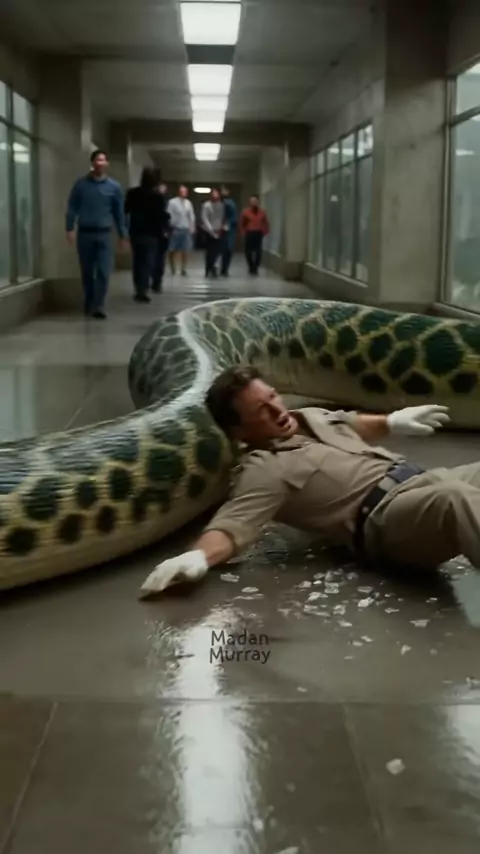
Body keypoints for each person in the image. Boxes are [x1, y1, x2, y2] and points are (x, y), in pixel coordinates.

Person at [139, 365, 480, 598]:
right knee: (454, 497)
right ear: (239, 431)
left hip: (421, 481)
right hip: (388, 519)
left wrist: (391, 421)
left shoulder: (310, 417)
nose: (277, 411)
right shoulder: (265, 468)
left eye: (273, 397)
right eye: (261, 411)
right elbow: (233, 524)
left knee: (461, 481)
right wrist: (198, 557)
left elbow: (352, 423)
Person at [66, 149, 128, 319]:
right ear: (92, 163)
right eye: (97, 160)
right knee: (87, 271)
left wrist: (123, 235)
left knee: (103, 271)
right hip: (85, 233)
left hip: (105, 234)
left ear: (107, 164)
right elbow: (72, 207)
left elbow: (119, 213)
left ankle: (99, 305)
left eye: (103, 160)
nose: (100, 163)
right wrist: (69, 228)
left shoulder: (114, 187)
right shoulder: (81, 185)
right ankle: (89, 301)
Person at [124, 167, 170, 302]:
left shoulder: (133, 193)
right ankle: (142, 290)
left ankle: (139, 288)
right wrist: (166, 226)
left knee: (137, 261)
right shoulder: (157, 197)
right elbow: (161, 216)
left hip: (136, 232)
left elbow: (125, 209)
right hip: (152, 233)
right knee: (147, 262)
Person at [167, 185, 196, 276]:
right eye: (182, 191)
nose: (184, 193)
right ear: (178, 192)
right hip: (176, 228)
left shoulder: (188, 203)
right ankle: (173, 268)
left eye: (185, 191)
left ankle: (183, 269)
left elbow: (191, 215)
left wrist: (192, 227)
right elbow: (169, 214)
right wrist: (170, 225)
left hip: (185, 228)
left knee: (185, 250)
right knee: (172, 249)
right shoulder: (172, 202)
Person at [240, 195, 269, 275]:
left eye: (255, 201)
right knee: (248, 251)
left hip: (258, 232)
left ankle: (256, 267)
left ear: (258, 202)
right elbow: (242, 223)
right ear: (250, 202)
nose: (254, 203)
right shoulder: (246, 212)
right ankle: (251, 266)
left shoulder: (262, 212)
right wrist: (243, 231)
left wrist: (265, 231)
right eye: (252, 201)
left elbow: (265, 222)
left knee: (258, 251)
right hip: (249, 232)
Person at [201, 188, 225, 278]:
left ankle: (214, 267)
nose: (215, 196)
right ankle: (208, 268)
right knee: (209, 251)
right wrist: (210, 229)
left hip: (219, 230)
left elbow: (222, 217)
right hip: (209, 231)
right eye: (213, 194)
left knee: (218, 251)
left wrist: (221, 227)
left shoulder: (221, 205)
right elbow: (204, 218)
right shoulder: (207, 205)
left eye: (217, 194)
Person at [151, 183, 171, 292]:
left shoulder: (163, 200)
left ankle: (156, 280)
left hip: (157, 233)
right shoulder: (159, 201)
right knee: (158, 258)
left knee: (157, 258)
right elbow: (163, 216)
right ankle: (156, 281)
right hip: (159, 233)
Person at [220, 185, 237, 277]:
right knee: (219, 250)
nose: (223, 192)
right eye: (222, 191)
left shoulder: (230, 203)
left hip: (228, 229)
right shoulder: (219, 202)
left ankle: (224, 269)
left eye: (225, 190)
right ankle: (220, 268)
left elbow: (233, 217)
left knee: (227, 250)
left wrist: (227, 223)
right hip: (219, 228)